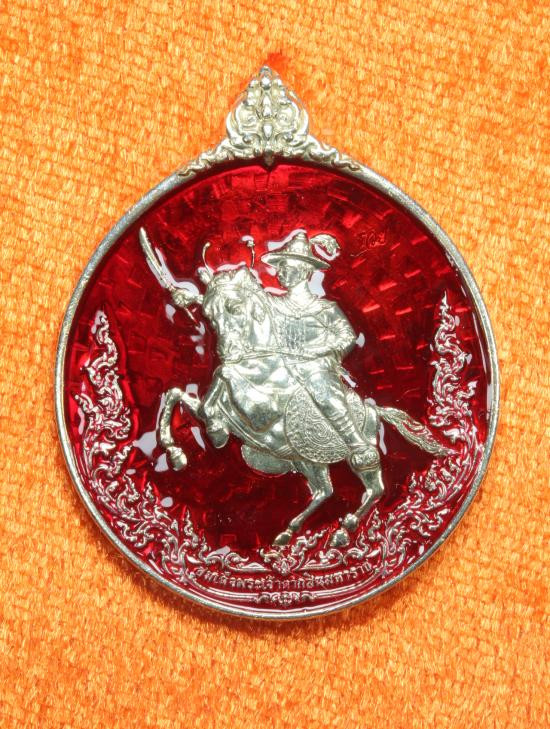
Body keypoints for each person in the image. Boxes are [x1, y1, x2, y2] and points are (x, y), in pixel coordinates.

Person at [261, 231, 379, 471]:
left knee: (322, 390)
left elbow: (347, 337)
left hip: (315, 367)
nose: (279, 272)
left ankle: (357, 444)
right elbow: (238, 305)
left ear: (304, 271)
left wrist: (316, 350)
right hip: (279, 366)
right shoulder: (272, 303)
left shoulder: (325, 308)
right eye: (279, 267)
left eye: (286, 267)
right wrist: (198, 297)